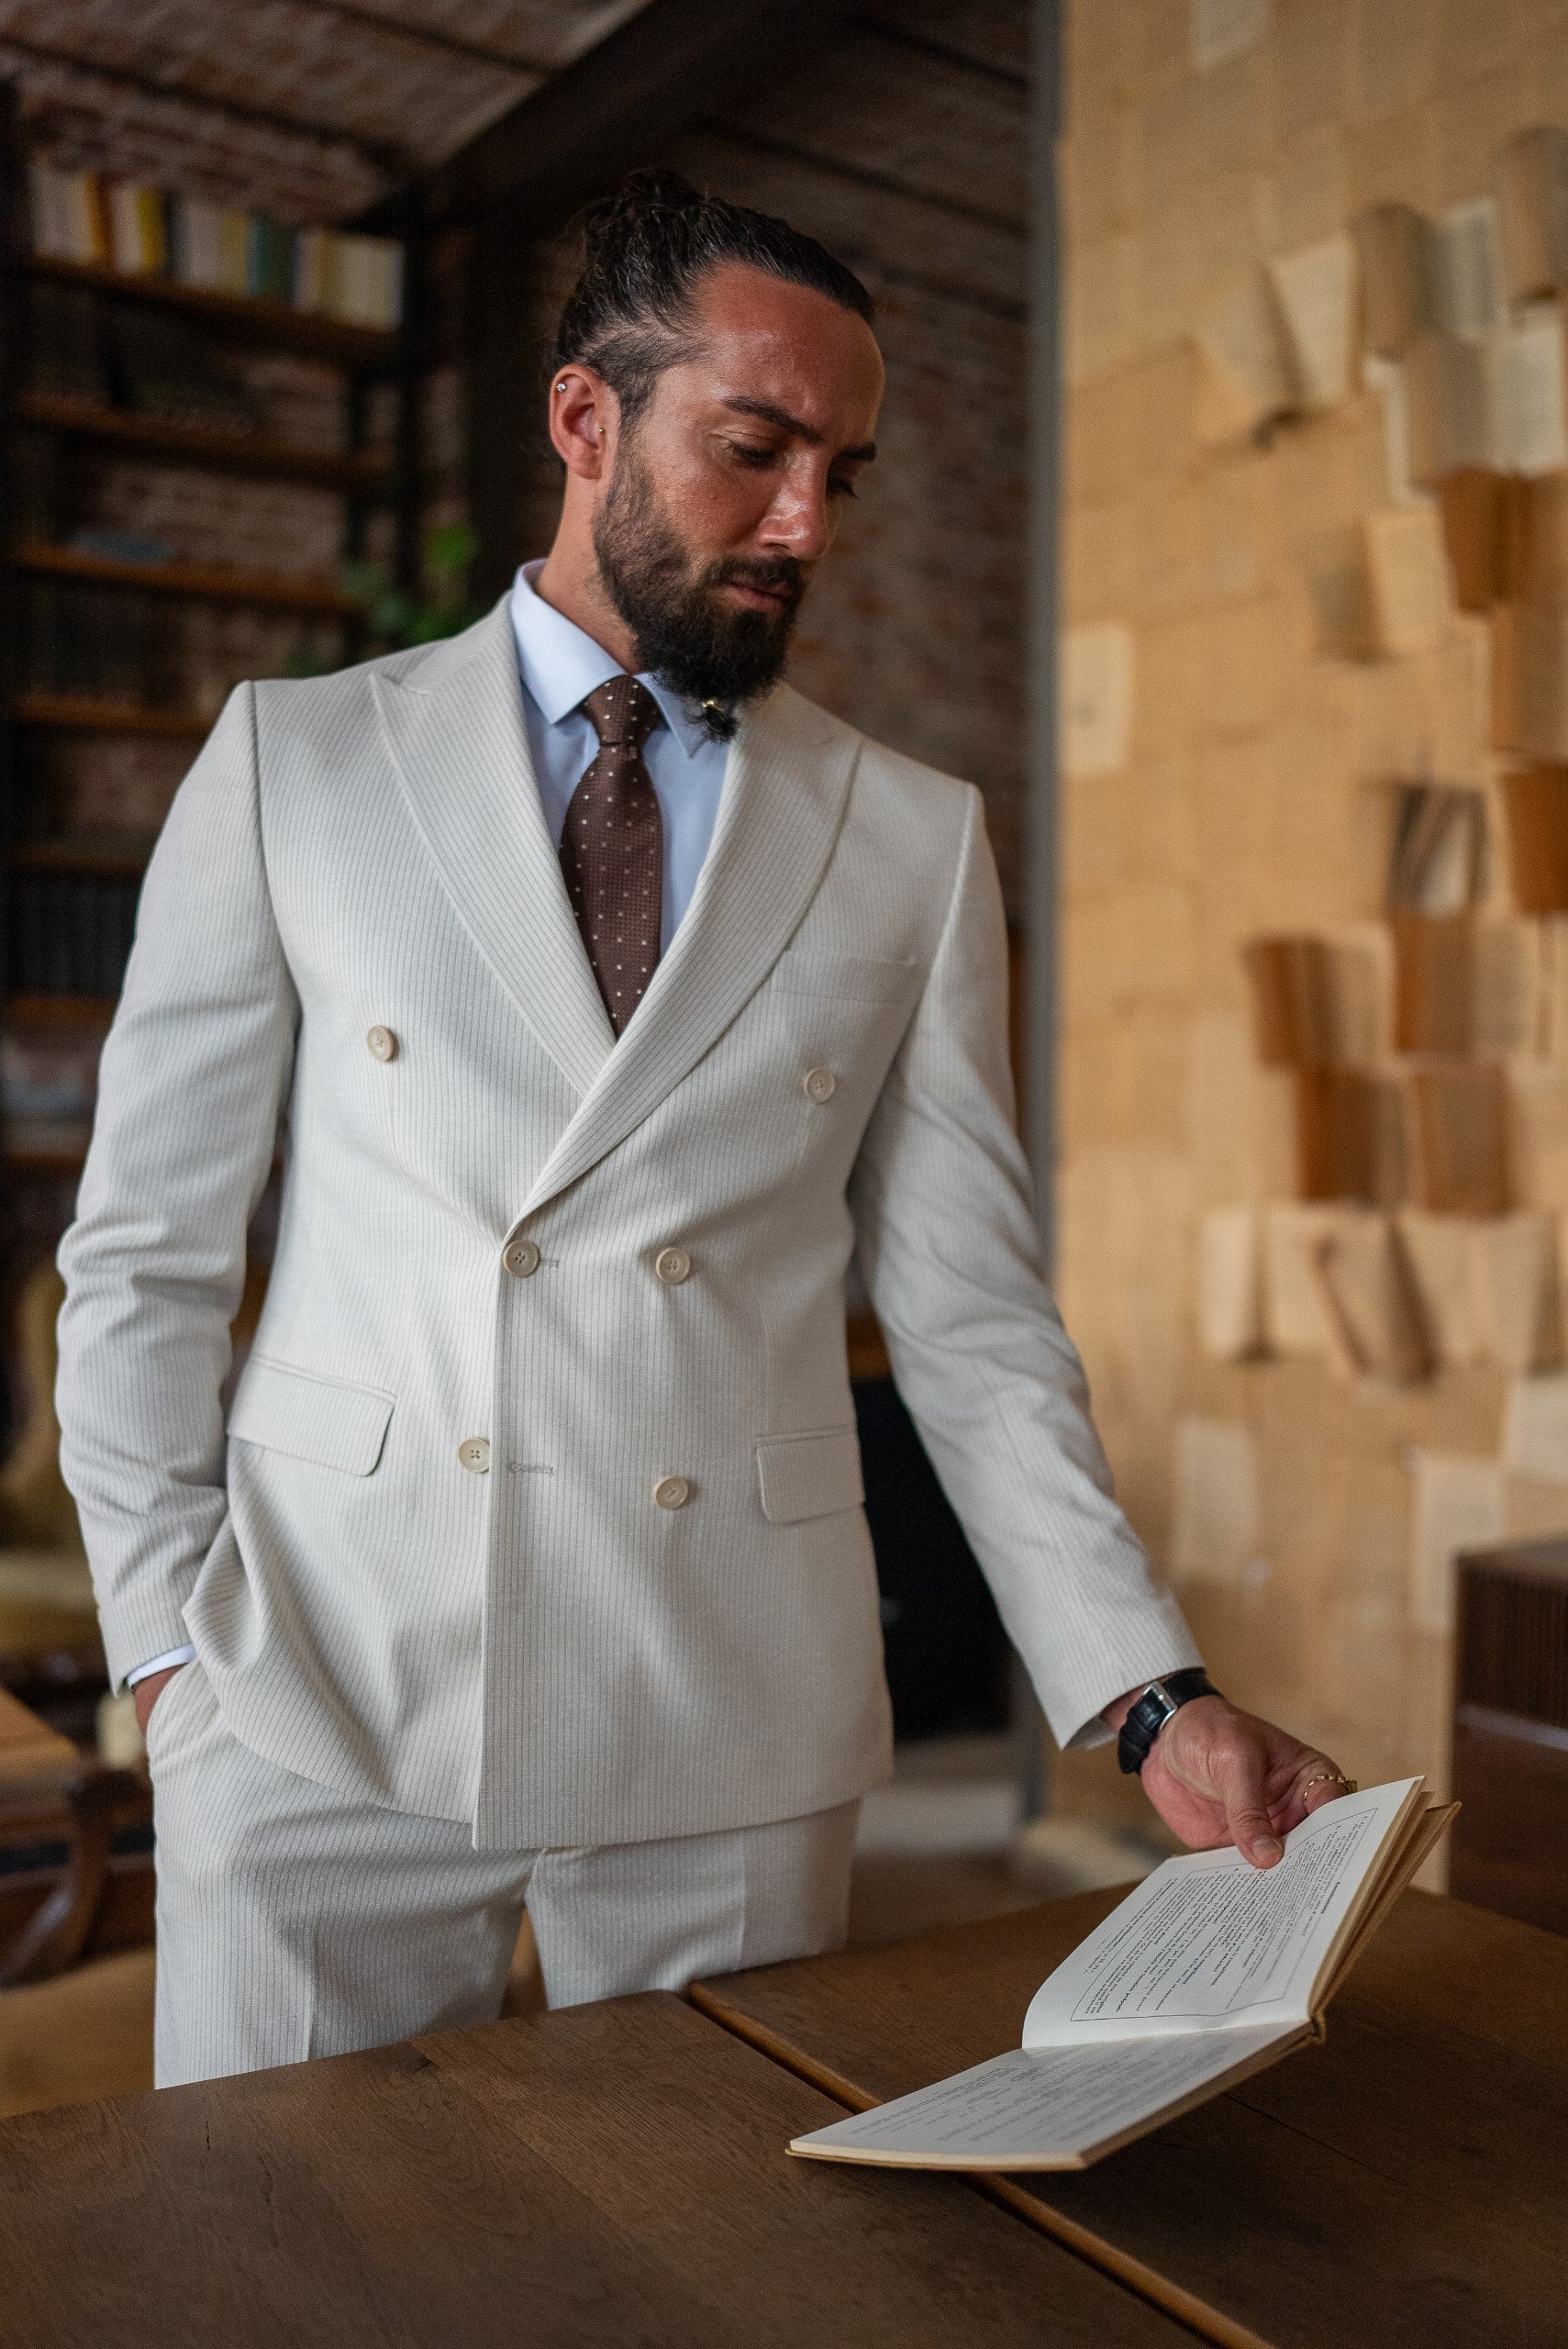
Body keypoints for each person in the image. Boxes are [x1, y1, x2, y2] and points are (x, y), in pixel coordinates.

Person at [56, 172, 1351, 2088]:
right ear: (587, 420)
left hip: (725, 1716)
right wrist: (170, 1652)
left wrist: (1152, 1695)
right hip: (321, 1688)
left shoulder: (912, 835)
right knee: (283, 2255)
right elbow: (148, 1249)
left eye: (845, 466)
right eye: (755, 448)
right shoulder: (295, 759)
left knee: (709, 2258)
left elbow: (975, 1324)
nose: (808, 520)